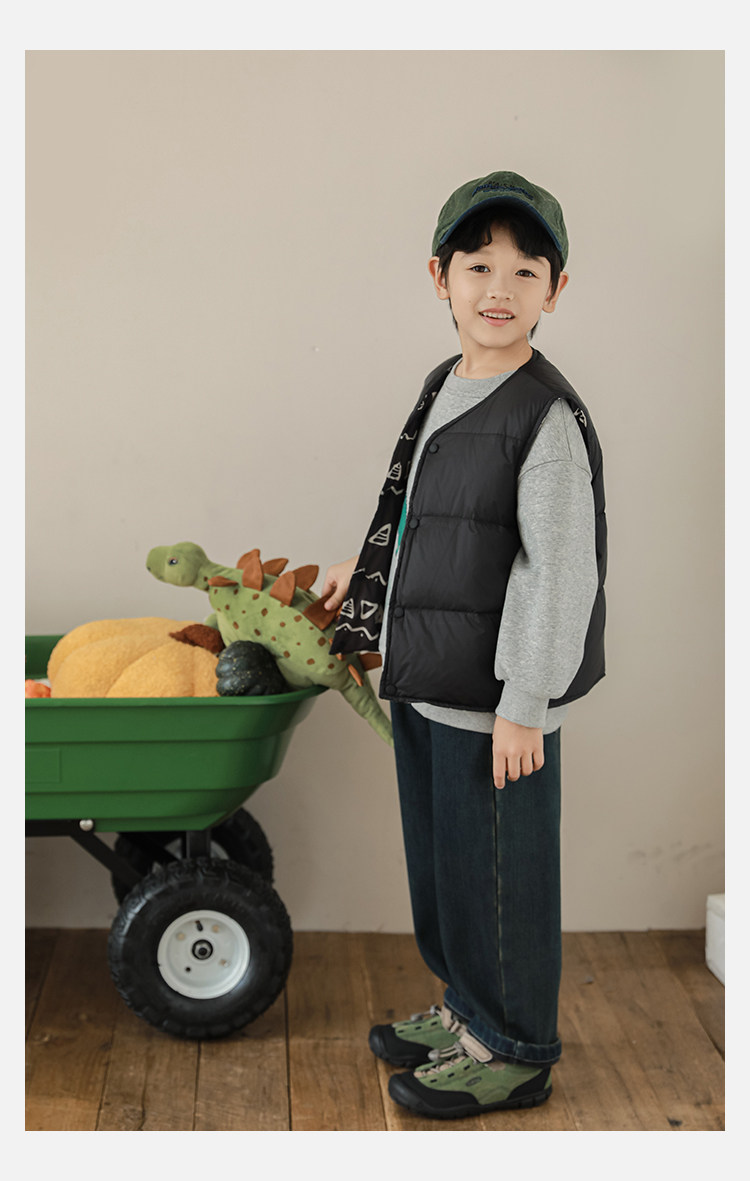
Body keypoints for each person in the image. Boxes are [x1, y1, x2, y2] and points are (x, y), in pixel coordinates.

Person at [321, 171, 607, 1121]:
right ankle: (468, 1009)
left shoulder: (543, 417)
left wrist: (525, 702)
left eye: (526, 271)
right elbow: (425, 514)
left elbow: (557, 571)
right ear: (438, 277)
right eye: (479, 265)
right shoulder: (445, 384)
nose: (500, 287)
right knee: (446, 873)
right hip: (431, 675)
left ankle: (515, 1046)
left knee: (499, 881)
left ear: (554, 292)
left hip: (497, 705)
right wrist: (368, 579)